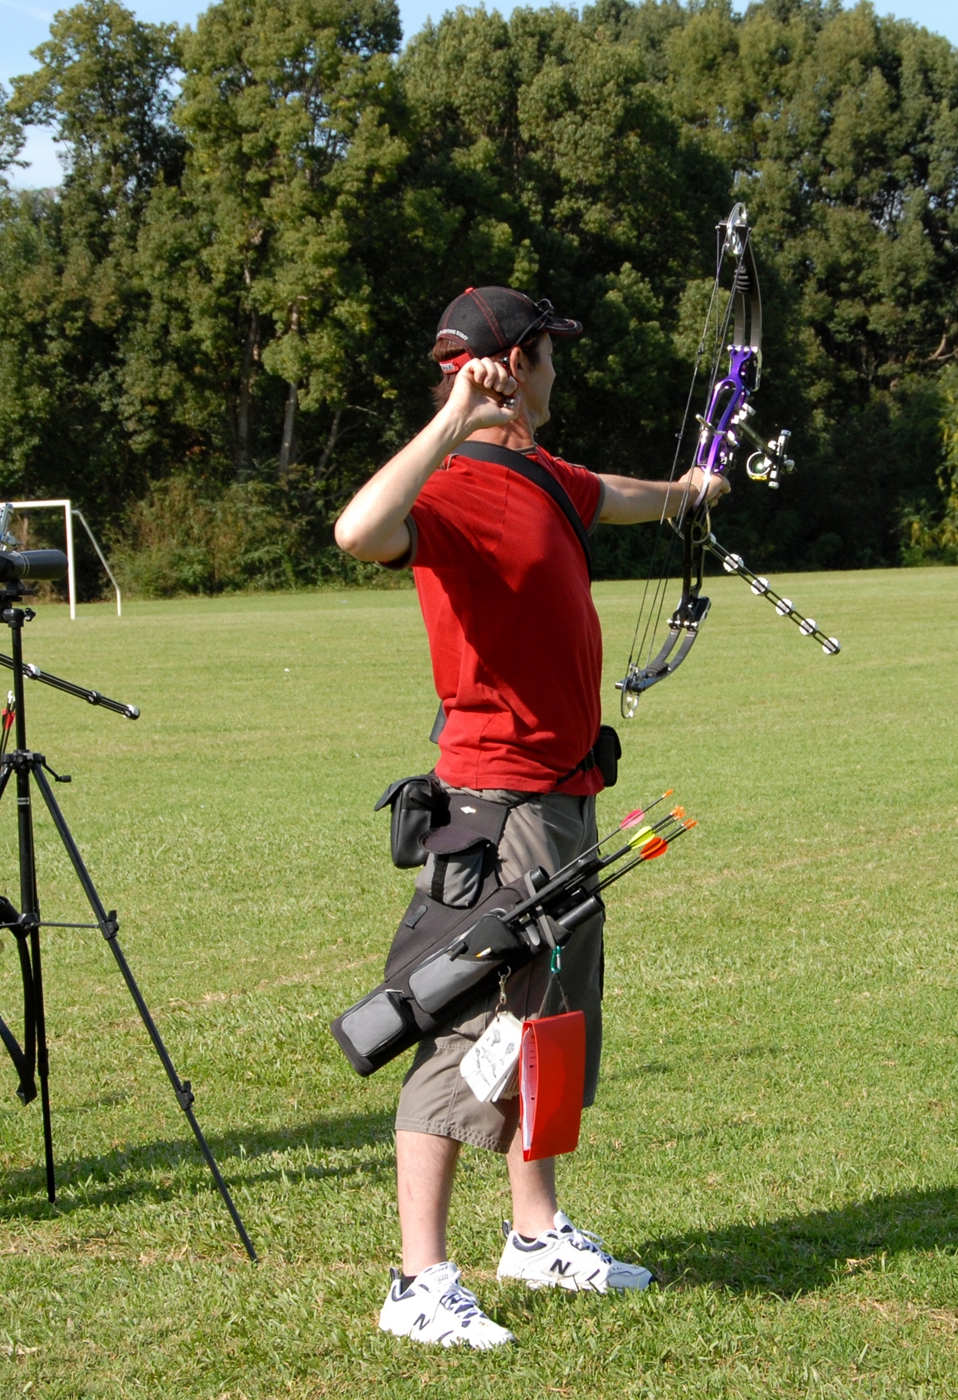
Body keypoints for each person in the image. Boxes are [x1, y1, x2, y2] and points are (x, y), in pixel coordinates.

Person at [334, 287, 728, 1349]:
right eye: (548, 354)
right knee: (463, 1023)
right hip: (493, 802)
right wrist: (450, 419)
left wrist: (694, 488)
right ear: (512, 364)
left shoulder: (542, 477)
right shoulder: (454, 482)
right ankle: (416, 1279)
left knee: (542, 1022)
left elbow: (621, 494)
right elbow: (356, 528)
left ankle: (533, 1230)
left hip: (559, 799)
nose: (559, 374)